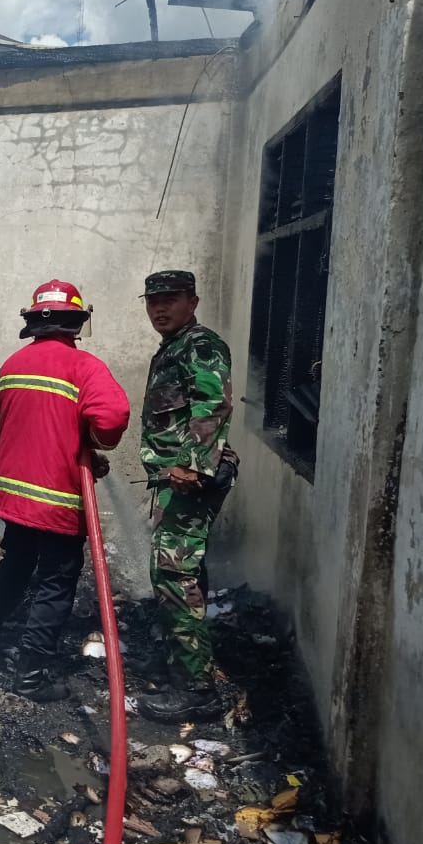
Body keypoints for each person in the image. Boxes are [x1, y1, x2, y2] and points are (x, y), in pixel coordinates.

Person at [0, 280, 130, 701]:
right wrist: (96, 442)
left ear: (34, 321)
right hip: (57, 499)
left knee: (16, 565)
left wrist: (80, 444)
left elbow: (40, 427)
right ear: (77, 322)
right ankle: (31, 675)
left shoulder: (12, 364)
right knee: (56, 581)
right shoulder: (84, 367)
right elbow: (112, 416)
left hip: (17, 495)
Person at [136, 270, 238, 723]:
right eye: (153, 300)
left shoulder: (201, 344)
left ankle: (199, 689)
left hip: (188, 481)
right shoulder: (174, 347)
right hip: (173, 478)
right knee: (186, 572)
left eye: (171, 299)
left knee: (173, 574)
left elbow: (212, 405)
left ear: (193, 300)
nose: (160, 308)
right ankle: (183, 660)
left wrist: (192, 466)